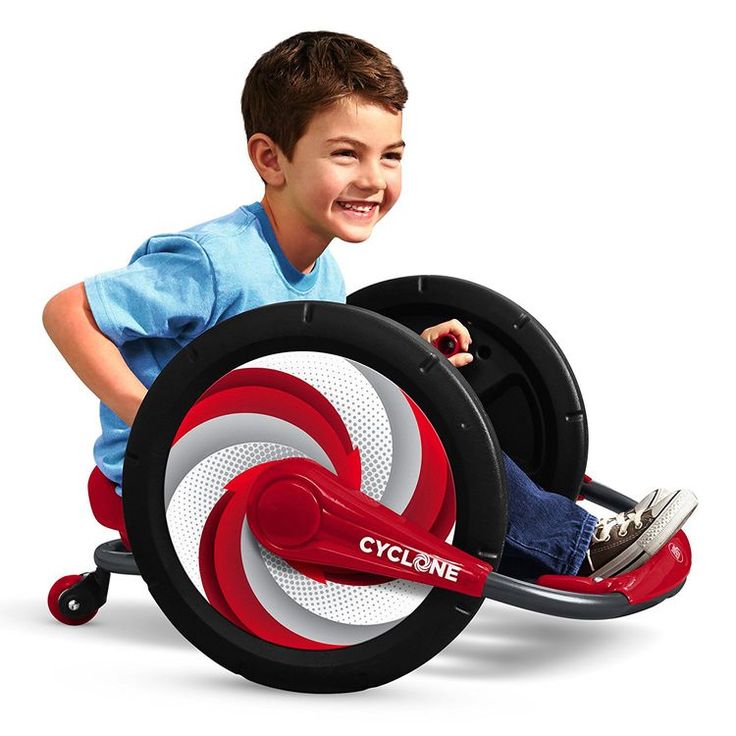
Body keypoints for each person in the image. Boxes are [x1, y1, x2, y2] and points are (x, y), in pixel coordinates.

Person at [42, 30, 696, 582]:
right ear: (272, 159)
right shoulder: (214, 260)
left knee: (425, 419)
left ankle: (548, 543)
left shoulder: (318, 261)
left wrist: (415, 354)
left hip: (257, 443)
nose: (373, 179)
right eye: (345, 154)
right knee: (410, 447)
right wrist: (152, 414)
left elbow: (320, 365)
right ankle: (578, 546)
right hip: (168, 477)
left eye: (391, 156)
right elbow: (67, 311)